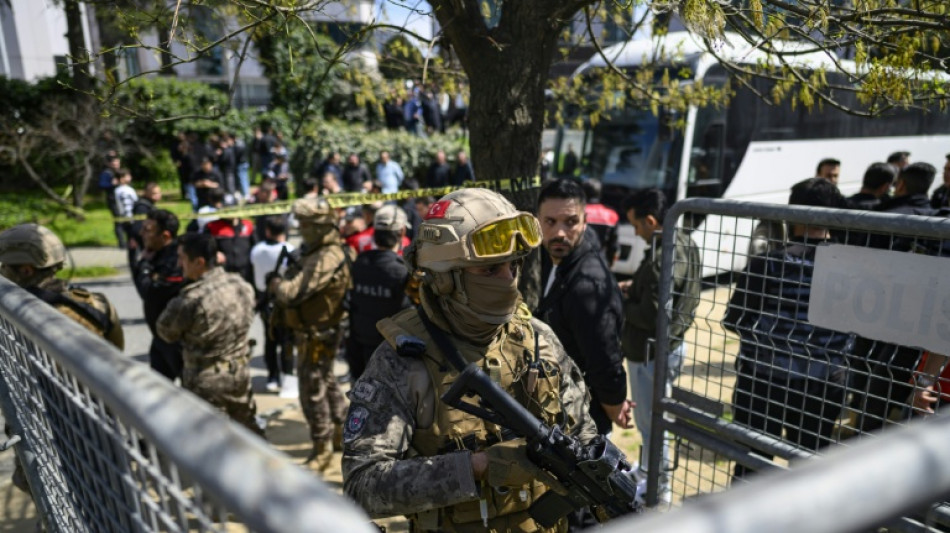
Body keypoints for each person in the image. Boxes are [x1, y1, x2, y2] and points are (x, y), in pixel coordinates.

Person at [342, 188, 598, 531]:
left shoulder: (539, 339)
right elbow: (363, 486)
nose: (508, 279)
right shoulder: (403, 360)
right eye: (490, 269)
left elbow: (584, 436)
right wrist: (477, 467)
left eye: (513, 265)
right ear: (446, 278)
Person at [723, 178, 853, 478]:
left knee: (752, 464)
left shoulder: (766, 264)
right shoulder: (851, 270)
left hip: (761, 378)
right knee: (808, 468)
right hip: (823, 383)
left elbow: (735, 319)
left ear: (793, 213)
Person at [0, 223, 125, 494]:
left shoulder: (11, 319)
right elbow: (116, 352)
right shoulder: (96, 303)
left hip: (40, 426)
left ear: (26, 270)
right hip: (96, 423)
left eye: (5, 268)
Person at [618, 189, 701, 502]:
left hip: (651, 351)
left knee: (651, 424)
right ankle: (650, 473)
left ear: (651, 221)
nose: (637, 233)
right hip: (668, 346)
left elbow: (653, 313)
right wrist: (634, 288)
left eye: (637, 226)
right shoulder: (684, 242)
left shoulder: (662, 252)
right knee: (654, 422)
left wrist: (620, 302)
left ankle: (658, 488)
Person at [535, 179, 631, 435]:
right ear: (538, 221)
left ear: (584, 222)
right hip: (556, 406)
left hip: (582, 421)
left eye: (570, 222)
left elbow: (605, 357)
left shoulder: (587, 286)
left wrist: (614, 401)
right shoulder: (551, 257)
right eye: (550, 222)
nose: (560, 233)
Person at [271, 198, 351, 472]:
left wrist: (277, 285)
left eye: (306, 224)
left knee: (311, 391)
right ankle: (342, 431)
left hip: (318, 335)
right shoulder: (315, 250)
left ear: (320, 226)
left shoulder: (325, 256)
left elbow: (292, 293)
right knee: (326, 382)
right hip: (315, 332)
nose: (301, 229)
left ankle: (323, 447)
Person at [157, 233, 263, 436]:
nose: (179, 264)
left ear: (199, 262)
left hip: (206, 380)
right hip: (239, 372)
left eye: (182, 258)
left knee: (213, 441)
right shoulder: (240, 284)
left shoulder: (191, 298)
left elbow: (165, 331)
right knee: (250, 433)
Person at [345, 205, 411, 382]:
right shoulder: (403, 271)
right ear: (402, 231)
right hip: (393, 352)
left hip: (361, 350)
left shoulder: (359, 263)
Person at [131, 209, 185, 381]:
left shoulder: (176, 260)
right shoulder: (154, 252)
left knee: (191, 393)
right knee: (160, 388)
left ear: (165, 235)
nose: (142, 234)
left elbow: (148, 292)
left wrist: (144, 265)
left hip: (176, 341)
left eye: (147, 230)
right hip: (159, 337)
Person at [250, 216, 296, 393]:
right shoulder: (289, 249)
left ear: (267, 231)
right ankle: (288, 379)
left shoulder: (257, 249)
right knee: (287, 341)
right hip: (284, 301)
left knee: (270, 339)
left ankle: (272, 377)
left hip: (265, 300)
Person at [581, 180, 620, 266]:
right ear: (600, 193)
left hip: (578, 261)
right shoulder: (611, 215)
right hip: (599, 262)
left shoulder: (576, 212)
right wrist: (609, 265)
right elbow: (613, 246)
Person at [113, 168, 138, 249]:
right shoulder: (129, 190)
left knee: (129, 236)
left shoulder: (116, 190)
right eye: (128, 176)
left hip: (123, 216)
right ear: (122, 179)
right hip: (132, 216)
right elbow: (135, 201)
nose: (130, 177)